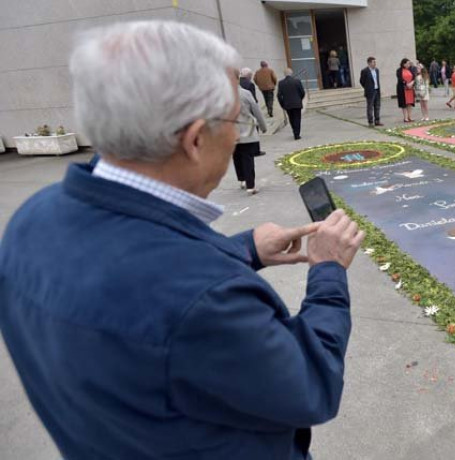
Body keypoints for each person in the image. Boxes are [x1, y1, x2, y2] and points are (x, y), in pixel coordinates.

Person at [0, 20, 364, 460]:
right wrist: (327, 271)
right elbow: (310, 385)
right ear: (194, 139)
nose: (237, 135)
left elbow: (137, 291)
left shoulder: (31, 220)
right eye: (235, 119)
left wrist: (245, 249)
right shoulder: (207, 298)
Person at [233, 71, 267, 194]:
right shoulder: (245, 93)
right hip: (247, 130)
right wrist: (263, 126)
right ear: (237, 78)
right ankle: (250, 186)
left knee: (236, 156)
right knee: (247, 158)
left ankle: (242, 179)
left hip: (231, 132)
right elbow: (256, 109)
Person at [278, 67, 306, 139]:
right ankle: (296, 134)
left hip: (287, 104)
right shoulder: (297, 81)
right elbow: (302, 92)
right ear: (291, 73)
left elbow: (279, 95)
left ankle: (294, 131)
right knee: (297, 118)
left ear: (284, 74)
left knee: (291, 118)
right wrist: (300, 99)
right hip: (297, 103)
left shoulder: (281, 83)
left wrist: (282, 104)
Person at [359, 56, 382, 127]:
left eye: (375, 62)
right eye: (373, 62)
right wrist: (367, 87)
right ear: (369, 63)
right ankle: (370, 122)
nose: (375, 63)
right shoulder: (365, 71)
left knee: (377, 106)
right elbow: (361, 81)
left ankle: (377, 121)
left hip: (377, 90)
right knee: (370, 107)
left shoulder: (376, 70)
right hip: (370, 91)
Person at [396, 58, 415, 122]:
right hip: (403, 88)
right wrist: (406, 83)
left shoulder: (411, 69)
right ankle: (405, 117)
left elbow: (413, 77)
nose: (409, 64)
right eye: (408, 63)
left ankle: (410, 116)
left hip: (410, 89)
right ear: (404, 64)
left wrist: (412, 83)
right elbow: (400, 78)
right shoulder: (399, 70)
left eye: (409, 63)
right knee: (404, 103)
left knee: (410, 102)